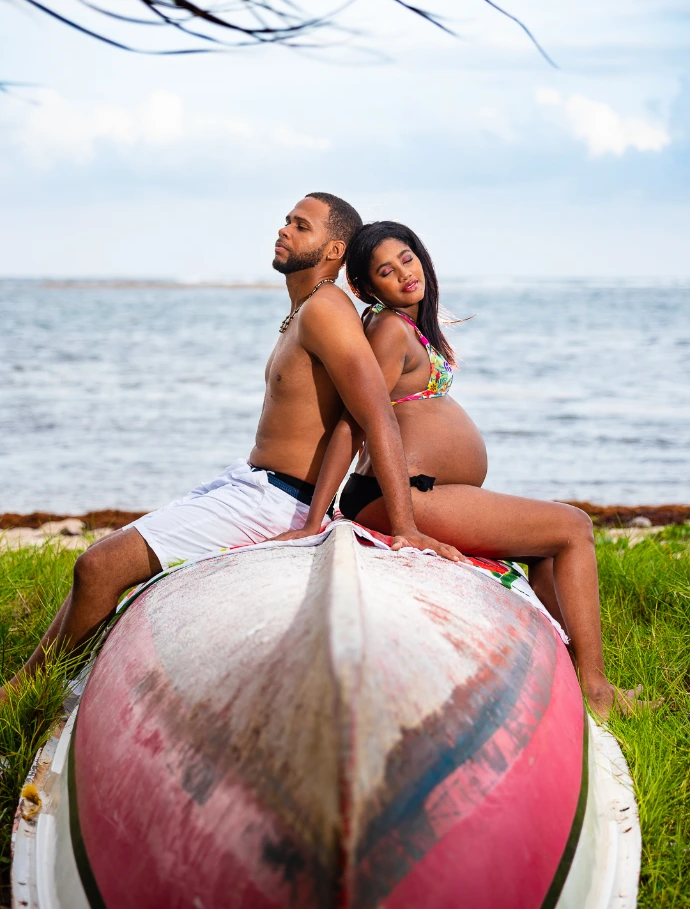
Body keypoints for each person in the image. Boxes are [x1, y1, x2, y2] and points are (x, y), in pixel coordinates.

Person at [1, 197, 460, 703]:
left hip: (278, 498)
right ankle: (41, 686)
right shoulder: (307, 310)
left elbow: (374, 416)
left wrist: (405, 528)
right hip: (251, 482)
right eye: (287, 221)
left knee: (99, 567)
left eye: (299, 226)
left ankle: (20, 696)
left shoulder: (328, 310)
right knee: (95, 569)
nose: (283, 230)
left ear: (332, 249)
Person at [274, 220, 651, 720]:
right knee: (574, 527)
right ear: (367, 288)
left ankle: (573, 676)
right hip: (401, 495)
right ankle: (598, 692)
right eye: (386, 271)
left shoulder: (409, 325)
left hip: (420, 491)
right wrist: (313, 520)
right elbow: (354, 424)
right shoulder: (388, 328)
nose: (404, 274)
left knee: (546, 551)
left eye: (407, 258)